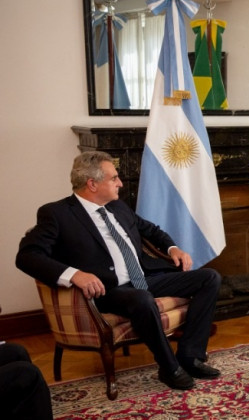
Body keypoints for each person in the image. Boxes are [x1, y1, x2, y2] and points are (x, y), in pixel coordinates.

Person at [15, 151, 222, 391]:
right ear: (92, 184)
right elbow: (27, 256)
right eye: (114, 178)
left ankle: (190, 356)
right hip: (108, 290)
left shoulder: (118, 207)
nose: (120, 183)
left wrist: (172, 247)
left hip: (143, 277)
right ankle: (169, 367)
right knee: (142, 299)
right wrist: (75, 274)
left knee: (210, 278)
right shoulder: (57, 214)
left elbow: (151, 230)